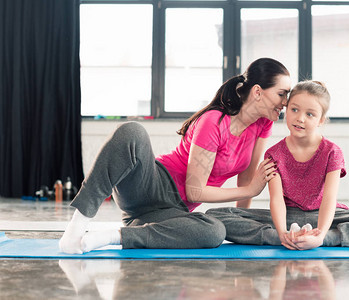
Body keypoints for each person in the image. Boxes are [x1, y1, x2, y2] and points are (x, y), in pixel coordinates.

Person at [59, 58, 290, 254]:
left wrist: (242, 226)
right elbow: (195, 191)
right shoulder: (214, 122)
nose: (285, 103)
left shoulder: (262, 125)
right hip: (151, 184)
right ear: (258, 92)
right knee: (132, 131)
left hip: (172, 212)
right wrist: (249, 190)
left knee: (213, 232)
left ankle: (117, 236)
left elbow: (246, 180)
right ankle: (75, 229)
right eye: (282, 94)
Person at [206, 80, 349, 250]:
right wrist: (282, 233)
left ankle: (329, 238)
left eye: (310, 114)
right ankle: (284, 238)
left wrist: (321, 234)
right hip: (286, 217)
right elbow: (276, 200)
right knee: (215, 216)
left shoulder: (332, 151)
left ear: (321, 119)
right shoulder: (274, 154)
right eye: (294, 110)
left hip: (326, 217)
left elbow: (330, 198)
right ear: (287, 111)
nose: (300, 118)